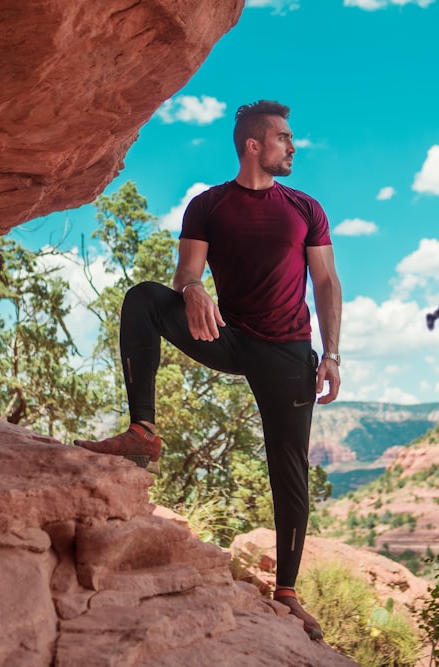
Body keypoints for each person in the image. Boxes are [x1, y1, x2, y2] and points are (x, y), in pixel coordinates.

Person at [75, 99, 342, 640]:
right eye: (285, 138)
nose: (293, 147)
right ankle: (143, 431)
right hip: (226, 336)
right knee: (143, 298)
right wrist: (192, 289)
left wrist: (331, 353)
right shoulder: (208, 205)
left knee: (288, 468)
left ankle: (287, 591)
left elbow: (327, 283)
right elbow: (186, 271)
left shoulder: (305, 208)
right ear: (254, 144)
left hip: (287, 351)